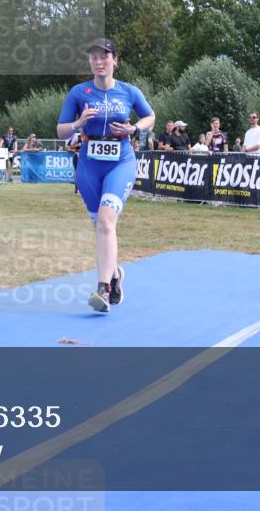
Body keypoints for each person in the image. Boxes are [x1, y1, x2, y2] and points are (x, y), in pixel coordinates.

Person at [57, 38, 154, 314]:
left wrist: (134, 129)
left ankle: (103, 289)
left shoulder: (129, 91)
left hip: (120, 162)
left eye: (104, 57)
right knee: (100, 226)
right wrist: (78, 123)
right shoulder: (79, 92)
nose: (99, 62)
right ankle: (114, 275)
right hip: (89, 164)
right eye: (94, 58)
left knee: (105, 220)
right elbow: (61, 130)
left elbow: (151, 117)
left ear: (115, 61)